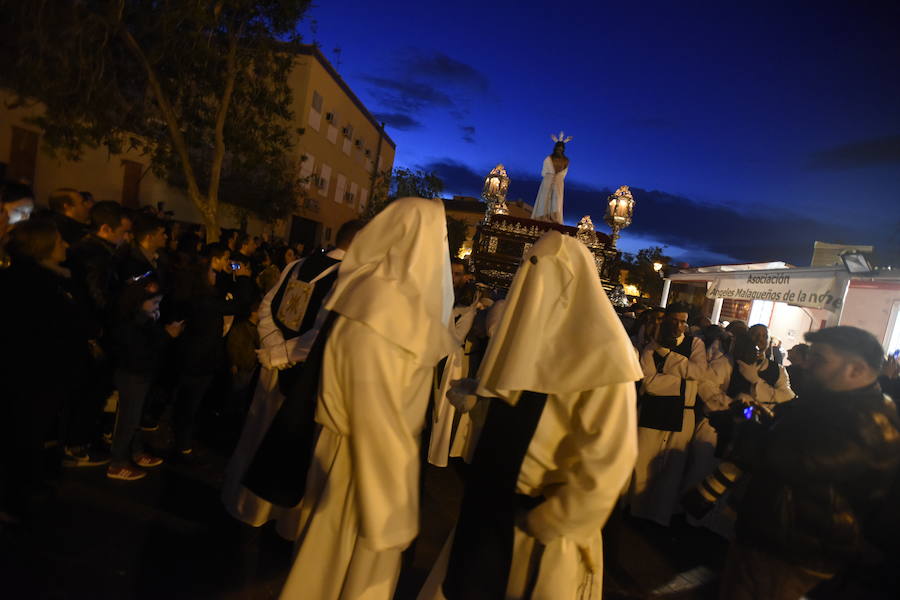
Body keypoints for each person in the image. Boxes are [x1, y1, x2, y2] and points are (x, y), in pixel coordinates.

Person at [419, 231, 642, 599]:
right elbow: (521, 397)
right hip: (491, 505)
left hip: (542, 528)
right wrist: (479, 396)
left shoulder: (607, 355)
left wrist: (556, 520)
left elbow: (611, 458)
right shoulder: (530, 335)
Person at [271, 198, 456, 600]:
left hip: (357, 461)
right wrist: (390, 507)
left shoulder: (371, 295)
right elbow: (377, 419)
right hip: (364, 469)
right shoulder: (385, 309)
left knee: (328, 568)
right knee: (341, 574)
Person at [719, 326, 900, 600]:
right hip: (769, 540)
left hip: (799, 555)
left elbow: (801, 460)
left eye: (820, 360)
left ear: (856, 370)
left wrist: (747, 433)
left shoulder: (872, 418)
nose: (808, 365)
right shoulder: (827, 402)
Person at [223, 219, 364, 537]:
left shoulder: (298, 265)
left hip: (271, 368)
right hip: (304, 373)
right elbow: (328, 332)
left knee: (258, 429)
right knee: (288, 440)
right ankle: (278, 515)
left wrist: (272, 346)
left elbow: (267, 306)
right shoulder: (353, 277)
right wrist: (285, 353)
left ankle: (246, 503)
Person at [0, 219, 93, 511]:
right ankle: (13, 500)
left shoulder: (51, 280)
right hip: (31, 380)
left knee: (29, 438)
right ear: (42, 247)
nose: (65, 245)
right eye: (58, 242)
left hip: (38, 379)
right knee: (21, 440)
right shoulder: (36, 286)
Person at [629, 301, 708, 526]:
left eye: (683, 321)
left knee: (672, 469)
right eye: (674, 321)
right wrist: (682, 384)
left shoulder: (696, 344)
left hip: (683, 414)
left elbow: (699, 372)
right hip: (654, 410)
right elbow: (649, 384)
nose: (678, 326)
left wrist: (669, 358)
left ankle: (658, 516)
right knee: (642, 462)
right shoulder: (651, 348)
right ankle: (636, 511)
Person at [107, 276, 183, 480]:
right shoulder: (132, 323)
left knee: (137, 417)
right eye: (154, 302)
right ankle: (117, 463)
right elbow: (139, 351)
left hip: (143, 374)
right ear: (138, 301)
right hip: (132, 374)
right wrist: (167, 335)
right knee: (128, 419)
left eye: (159, 302)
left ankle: (136, 451)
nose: (157, 307)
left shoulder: (146, 320)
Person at [427, 258, 490, 467]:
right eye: (450, 273)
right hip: (431, 352)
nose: (453, 278)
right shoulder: (435, 292)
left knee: (441, 408)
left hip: (448, 356)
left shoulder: (468, 301)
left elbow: (458, 336)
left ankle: (434, 452)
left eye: (458, 274)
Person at [530, 136, 570, 223]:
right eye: (558, 148)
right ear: (555, 148)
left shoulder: (566, 160)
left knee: (557, 200)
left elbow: (564, 173)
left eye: (561, 149)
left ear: (563, 149)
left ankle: (554, 218)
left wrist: (557, 177)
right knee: (544, 198)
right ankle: (542, 216)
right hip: (548, 180)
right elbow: (544, 171)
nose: (559, 150)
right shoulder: (549, 159)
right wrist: (551, 176)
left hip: (559, 182)